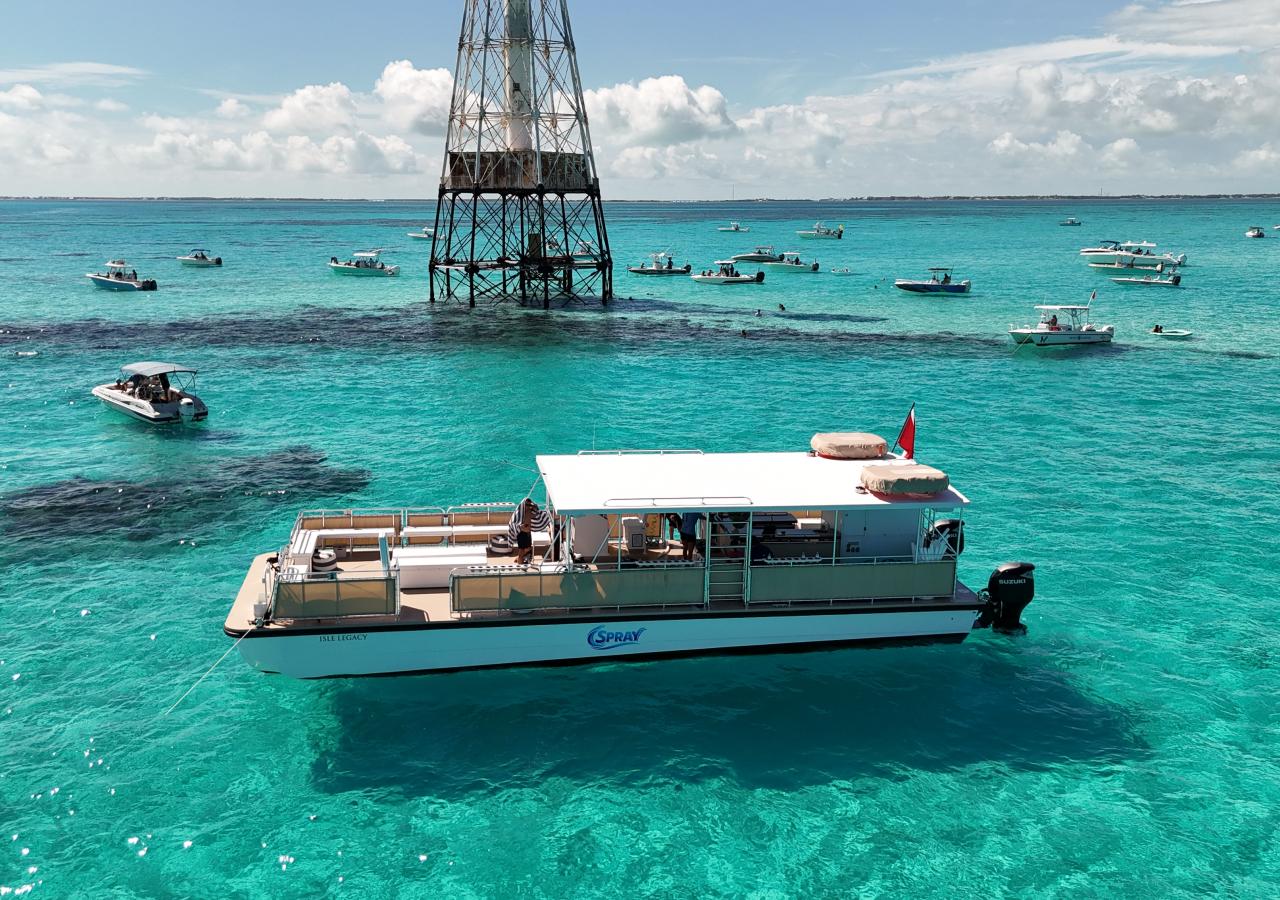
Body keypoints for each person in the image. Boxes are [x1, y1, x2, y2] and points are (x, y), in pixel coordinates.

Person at [508, 498, 552, 566]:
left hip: (527, 533)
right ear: (524, 505)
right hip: (522, 534)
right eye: (527, 505)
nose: (529, 506)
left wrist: (534, 506)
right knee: (522, 551)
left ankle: (518, 559)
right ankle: (520, 563)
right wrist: (522, 527)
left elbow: (537, 513)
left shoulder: (530, 511)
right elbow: (516, 523)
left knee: (528, 548)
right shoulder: (520, 513)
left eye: (529, 504)